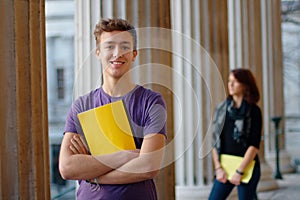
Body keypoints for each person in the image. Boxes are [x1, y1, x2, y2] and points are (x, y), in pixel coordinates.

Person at [59, 18, 167, 200]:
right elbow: (67, 167)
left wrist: (91, 172)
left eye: (125, 47)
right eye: (109, 46)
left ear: (134, 54)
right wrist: (126, 156)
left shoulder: (151, 101)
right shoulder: (81, 105)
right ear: (98, 52)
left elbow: (148, 166)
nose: (117, 53)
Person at [208, 68, 262, 200]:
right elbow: (214, 141)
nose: (230, 85)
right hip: (224, 168)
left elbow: (254, 145)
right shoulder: (221, 110)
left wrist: (240, 171)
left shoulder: (254, 111)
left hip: (247, 167)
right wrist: (218, 168)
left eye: (235, 82)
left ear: (245, 85)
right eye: (229, 81)